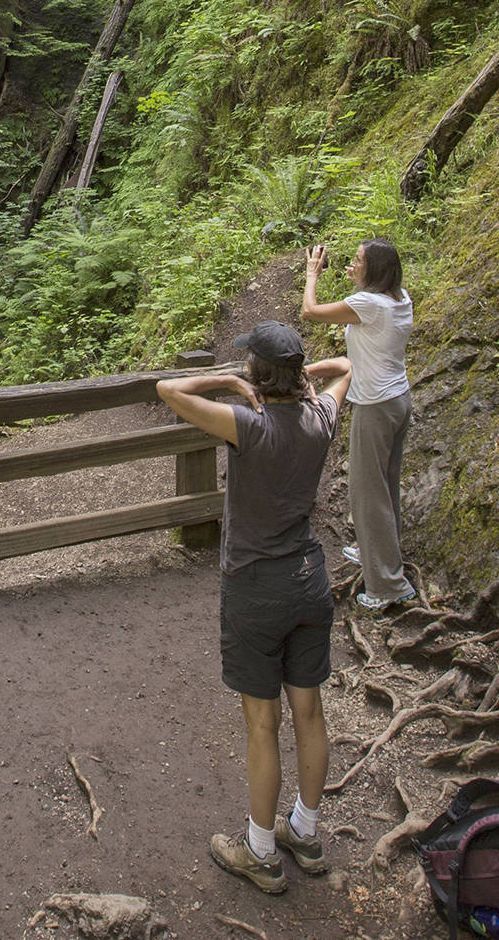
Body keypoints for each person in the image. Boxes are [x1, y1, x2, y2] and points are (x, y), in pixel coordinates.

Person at [158, 325, 352, 895]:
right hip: (309, 579)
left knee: (262, 724)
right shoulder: (319, 418)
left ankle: (261, 851)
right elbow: (347, 368)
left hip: (255, 587)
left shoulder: (249, 424)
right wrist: (301, 381)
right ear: (295, 371)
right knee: (309, 714)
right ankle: (306, 835)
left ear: (257, 374)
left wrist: (226, 380)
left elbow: (171, 390)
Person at [299, 237, 415, 611]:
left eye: (359, 260)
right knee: (386, 485)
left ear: (375, 270)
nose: (352, 262)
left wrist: (312, 273)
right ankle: (375, 550)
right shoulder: (399, 299)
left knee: (367, 494)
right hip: (398, 399)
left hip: (377, 407)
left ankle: (387, 586)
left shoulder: (368, 304)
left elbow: (310, 311)